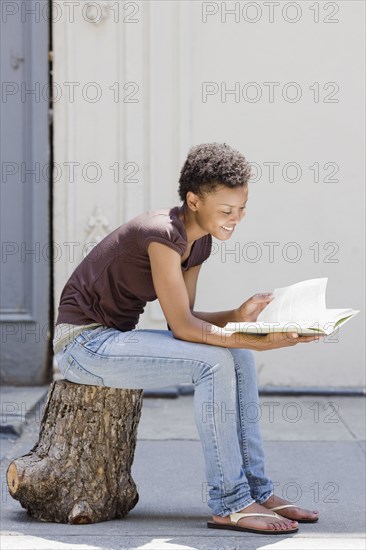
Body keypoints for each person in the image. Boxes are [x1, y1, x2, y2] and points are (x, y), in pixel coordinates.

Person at [53, 142, 320, 535]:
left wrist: (237, 318)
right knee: (213, 362)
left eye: (242, 208)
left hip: (114, 340)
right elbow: (182, 329)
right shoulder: (161, 233)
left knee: (240, 358)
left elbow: (187, 317)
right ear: (194, 200)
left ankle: (257, 491)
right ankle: (230, 503)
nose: (237, 218)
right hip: (83, 345)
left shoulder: (200, 242)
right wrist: (255, 339)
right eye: (227, 211)